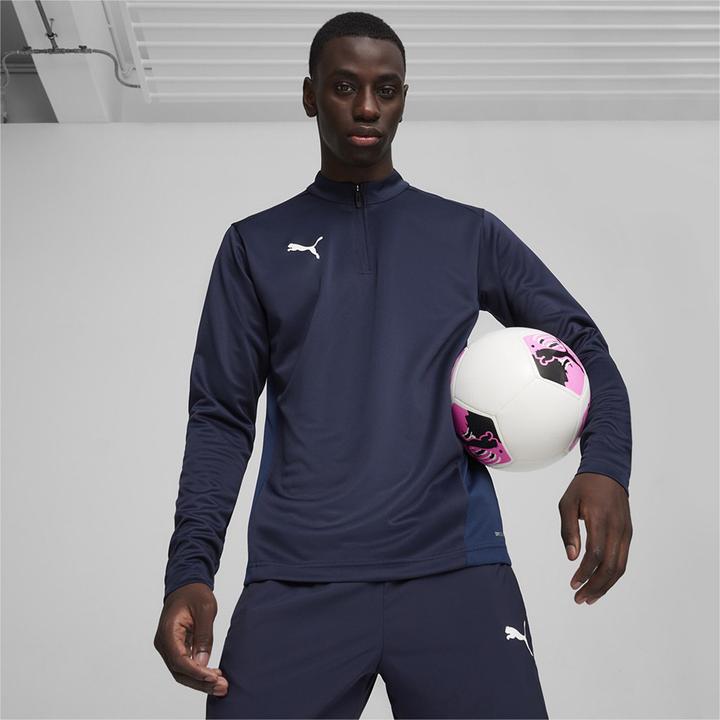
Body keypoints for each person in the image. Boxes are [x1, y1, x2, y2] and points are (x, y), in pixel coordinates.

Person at [153, 11, 634, 719]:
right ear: (311, 95)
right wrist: (189, 571)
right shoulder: (254, 246)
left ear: (405, 98)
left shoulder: (466, 233)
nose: (367, 107)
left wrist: (606, 466)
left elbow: (583, 344)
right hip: (298, 578)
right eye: (345, 86)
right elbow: (221, 419)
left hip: (457, 572)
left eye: (386, 89)